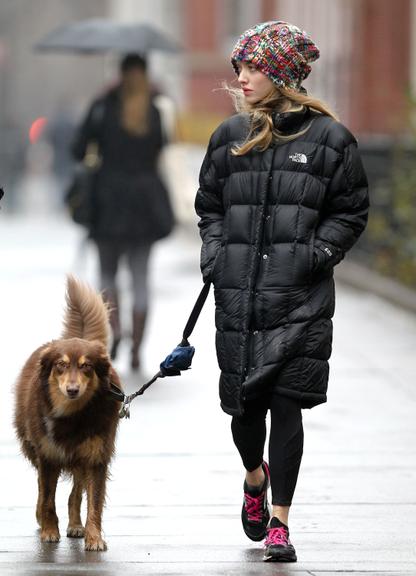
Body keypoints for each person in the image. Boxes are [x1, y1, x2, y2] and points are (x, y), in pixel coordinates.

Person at [195, 21, 369, 562]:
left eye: (252, 67)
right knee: (244, 412)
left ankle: (280, 522)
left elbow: (350, 211)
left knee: (287, 407)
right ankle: (255, 478)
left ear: (282, 74)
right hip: (240, 297)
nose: (242, 76)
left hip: (300, 299)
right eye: (239, 67)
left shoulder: (330, 140)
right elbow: (210, 207)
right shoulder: (229, 136)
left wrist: (316, 256)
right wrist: (217, 255)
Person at [72, 53, 174, 370]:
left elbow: (77, 148)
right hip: (145, 203)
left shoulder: (103, 107)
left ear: (119, 74)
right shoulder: (155, 110)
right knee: (141, 277)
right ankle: (137, 349)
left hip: (107, 202)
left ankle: (113, 330)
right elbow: (162, 147)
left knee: (107, 274)